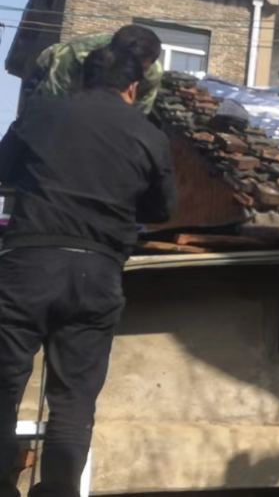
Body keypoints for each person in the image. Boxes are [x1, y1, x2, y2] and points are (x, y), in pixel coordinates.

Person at [0, 47, 177, 497]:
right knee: (73, 401)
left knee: (3, 388)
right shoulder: (149, 134)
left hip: (28, 264)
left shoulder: (41, 112)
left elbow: (4, 171)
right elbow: (161, 209)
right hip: (98, 271)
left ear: (82, 79)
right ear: (133, 88)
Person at [23, 25, 164, 116]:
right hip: (47, 74)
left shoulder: (152, 74)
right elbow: (54, 100)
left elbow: (138, 115)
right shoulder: (74, 56)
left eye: (141, 68)